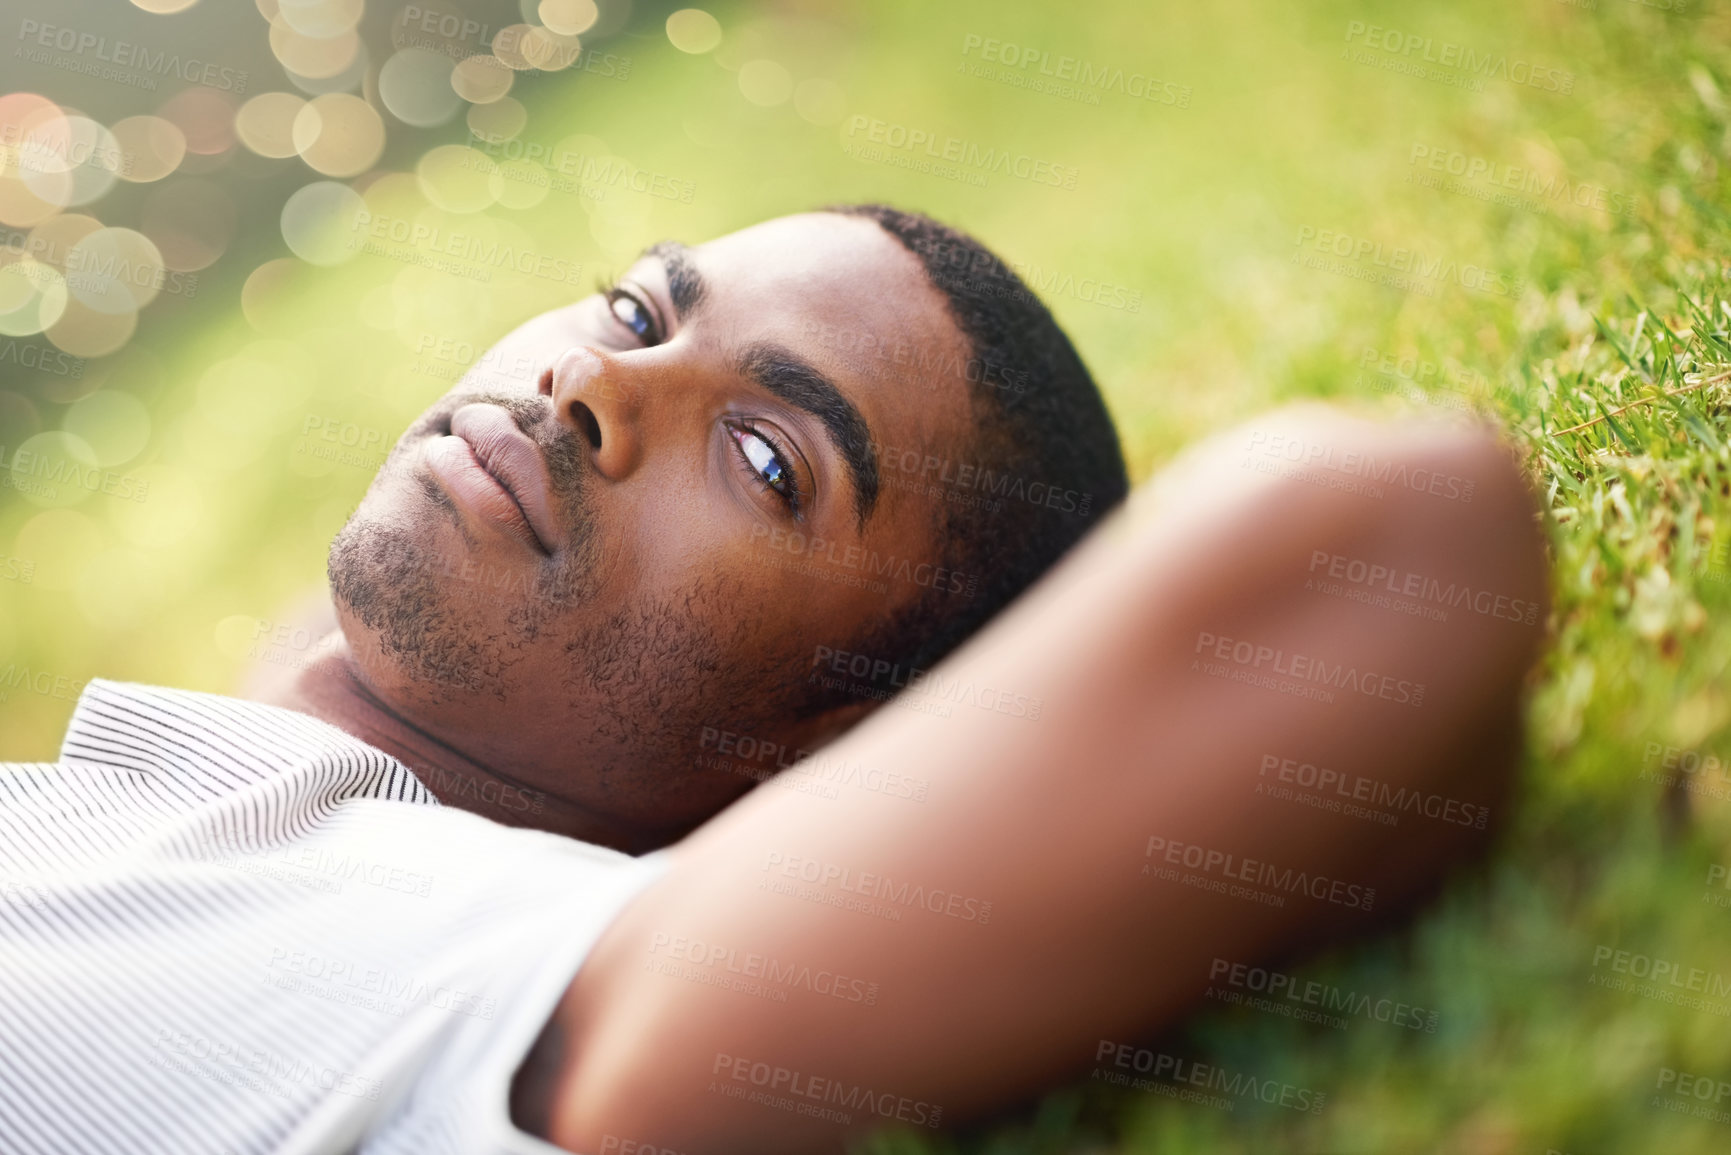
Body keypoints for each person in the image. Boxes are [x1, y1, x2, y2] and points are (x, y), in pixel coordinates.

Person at [0, 207, 1546, 1155]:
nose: (591, 387)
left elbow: (1409, 536)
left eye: (766, 459)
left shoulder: (471, 972)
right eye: (638, 311)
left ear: (828, 755)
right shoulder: (214, 813)